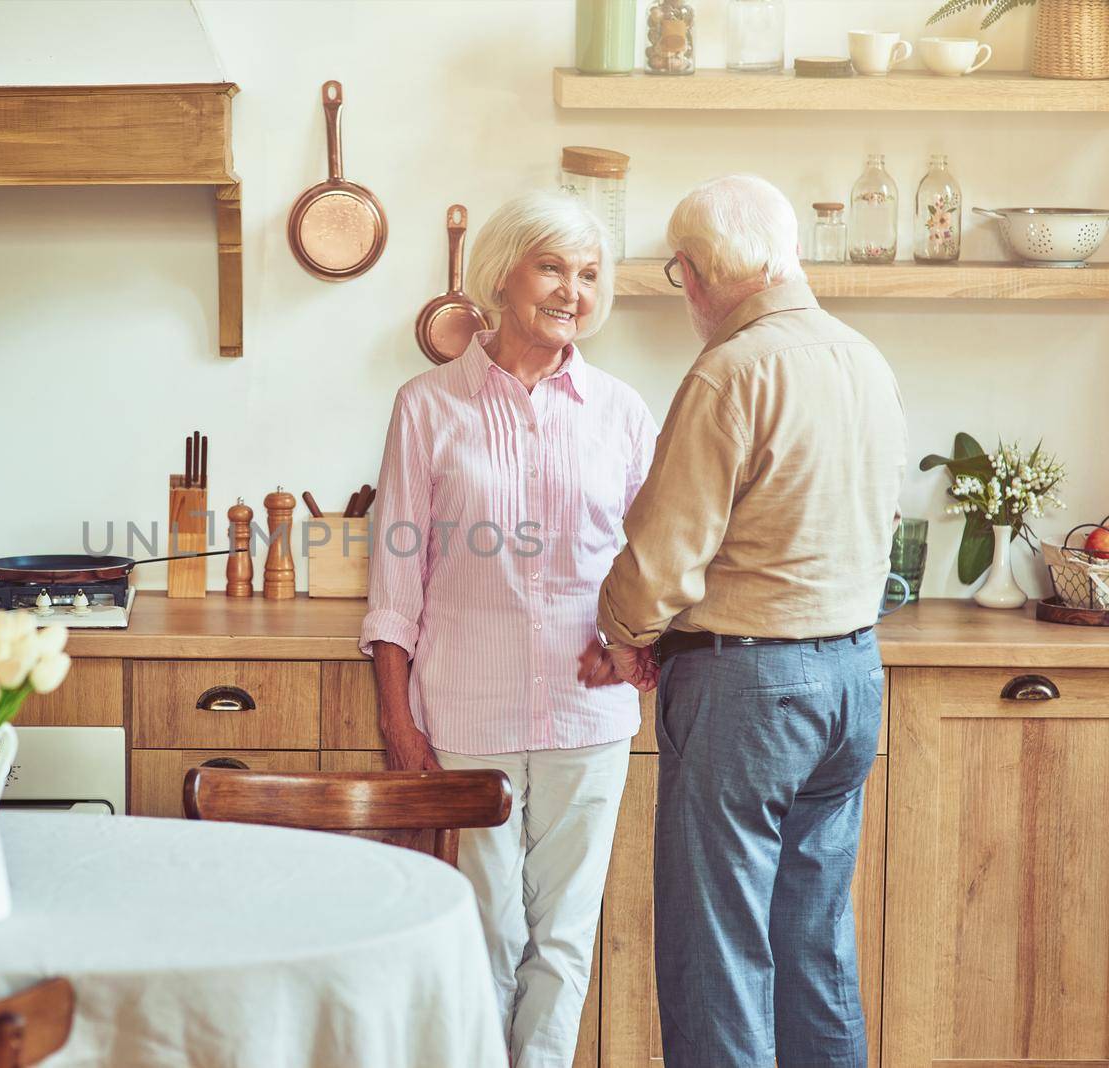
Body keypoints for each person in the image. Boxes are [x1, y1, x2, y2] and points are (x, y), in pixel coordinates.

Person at [583, 174, 907, 1068]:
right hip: (851, 678)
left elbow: (661, 559)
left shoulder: (732, 370)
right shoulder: (862, 358)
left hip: (750, 691)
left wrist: (623, 636)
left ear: (689, 273)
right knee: (813, 940)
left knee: (718, 952)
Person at [361, 191, 657, 1068]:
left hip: (586, 717)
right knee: (482, 939)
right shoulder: (427, 406)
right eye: (554, 267)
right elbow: (394, 581)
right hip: (466, 716)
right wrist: (397, 719)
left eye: (591, 274)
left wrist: (646, 646)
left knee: (562, 945)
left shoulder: (622, 412)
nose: (574, 291)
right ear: (502, 273)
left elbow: (656, 562)